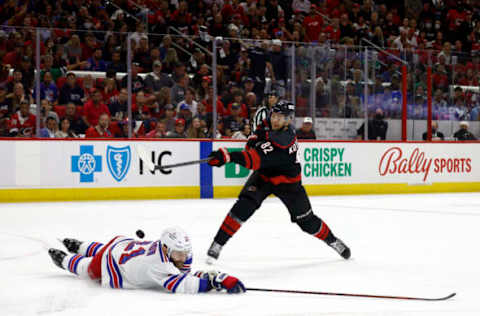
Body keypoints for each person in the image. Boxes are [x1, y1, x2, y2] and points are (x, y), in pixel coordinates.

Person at [205, 100, 351, 263]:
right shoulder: (270, 123)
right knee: (244, 205)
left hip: (288, 184)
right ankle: (217, 244)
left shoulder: (284, 140)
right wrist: (254, 139)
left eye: (280, 118)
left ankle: (333, 240)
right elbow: (259, 132)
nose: (275, 120)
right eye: (274, 115)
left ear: (288, 120)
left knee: (307, 222)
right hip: (265, 176)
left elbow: (252, 160)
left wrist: (227, 156)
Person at [47, 226, 245, 294]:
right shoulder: (158, 265)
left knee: (102, 248)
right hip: (113, 264)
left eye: (185, 252)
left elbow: (185, 273)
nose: (184, 257)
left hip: (122, 245)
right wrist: (213, 284)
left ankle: (79, 245)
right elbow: (184, 284)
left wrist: (217, 277)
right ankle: (63, 259)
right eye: (179, 253)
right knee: (86, 269)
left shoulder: (174, 252)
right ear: (167, 249)